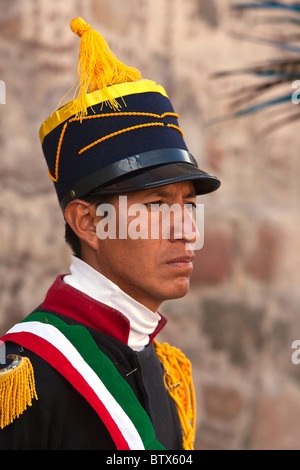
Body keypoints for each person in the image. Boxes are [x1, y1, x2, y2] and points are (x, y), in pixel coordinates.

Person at [0, 18, 220, 450]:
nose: (188, 231)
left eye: (189, 205)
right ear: (88, 223)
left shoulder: (167, 371)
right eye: (157, 205)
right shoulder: (24, 379)